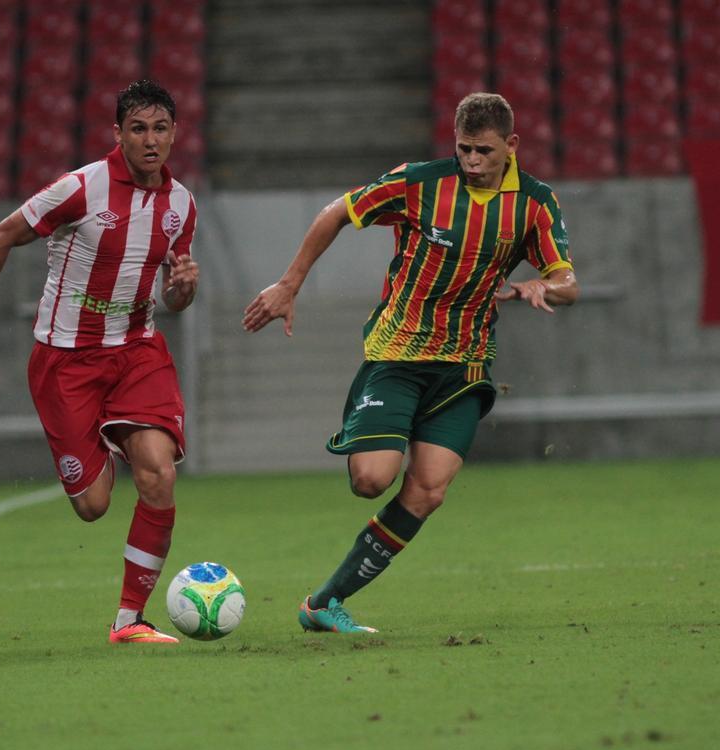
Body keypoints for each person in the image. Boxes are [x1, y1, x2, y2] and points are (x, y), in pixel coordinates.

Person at [242, 92, 579, 633]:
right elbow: (337, 213)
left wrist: (544, 285)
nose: (471, 161)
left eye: (484, 152)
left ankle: (323, 603)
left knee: (428, 490)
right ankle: (370, 434)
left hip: (465, 365)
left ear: (511, 146)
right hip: (398, 354)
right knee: (373, 480)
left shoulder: (536, 204)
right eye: (464, 148)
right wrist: (290, 283)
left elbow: (569, 283)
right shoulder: (420, 182)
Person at [0, 79, 199, 644]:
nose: (150, 140)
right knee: (94, 507)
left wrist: (184, 291)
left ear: (175, 134)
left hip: (138, 351)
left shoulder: (182, 205)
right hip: (66, 362)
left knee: (158, 472)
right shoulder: (79, 188)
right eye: (139, 128)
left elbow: (173, 297)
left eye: (161, 128)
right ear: (117, 133)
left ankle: (129, 621)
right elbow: (2, 234)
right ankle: (106, 438)